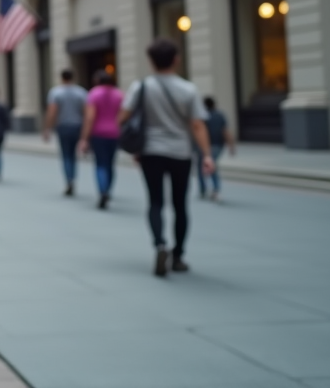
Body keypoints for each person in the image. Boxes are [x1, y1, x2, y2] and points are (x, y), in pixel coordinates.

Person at [119, 39, 216, 278]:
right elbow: (197, 125)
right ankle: (179, 255)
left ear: (151, 61)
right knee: (180, 205)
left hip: (151, 150)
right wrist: (207, 155)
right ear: (176, 59)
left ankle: (159, 244)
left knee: (155, 202)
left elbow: (123, 116)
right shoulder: (188, 89)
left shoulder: (141, 87)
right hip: (180, 152)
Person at [78, 70, 123, 209]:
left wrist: (84, 138)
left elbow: (90, 117)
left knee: (100, 164)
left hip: (98, 133)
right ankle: (108, 190)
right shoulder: (119, 94)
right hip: (115, 132)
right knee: (110, 163)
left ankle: (102, 191)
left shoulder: (93, 94)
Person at [43, 69, 88, 196]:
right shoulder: (81, 92)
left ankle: (69, 180)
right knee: (73, 155)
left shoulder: (56, 92)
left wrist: (47, 128)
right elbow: (86, 112)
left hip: (63, 127)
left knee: (66, 155)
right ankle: (72, 178)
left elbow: (52, 112)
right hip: (77, 126)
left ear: (61, 78)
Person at [198, 96, 236, 201]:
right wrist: (231, 146)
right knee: (211, 166)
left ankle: (205, 189)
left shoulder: (202, 116)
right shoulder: (219, 115)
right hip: (218, 145)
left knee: (203, 167)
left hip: (205, 146)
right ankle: (214, 189)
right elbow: (225, 131)